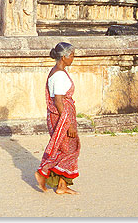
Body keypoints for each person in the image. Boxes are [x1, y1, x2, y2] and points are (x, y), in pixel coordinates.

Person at [35, 41, 80, 195]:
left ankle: (61, 185)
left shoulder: (57, 71)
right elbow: (58, 101)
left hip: (62, 115)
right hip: (62, 116)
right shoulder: (59, 75)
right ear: (64, 57)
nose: (73, 58)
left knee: (65, 148)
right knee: (67, 149)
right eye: (72, 55)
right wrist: (69, 124)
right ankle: (43, 172)